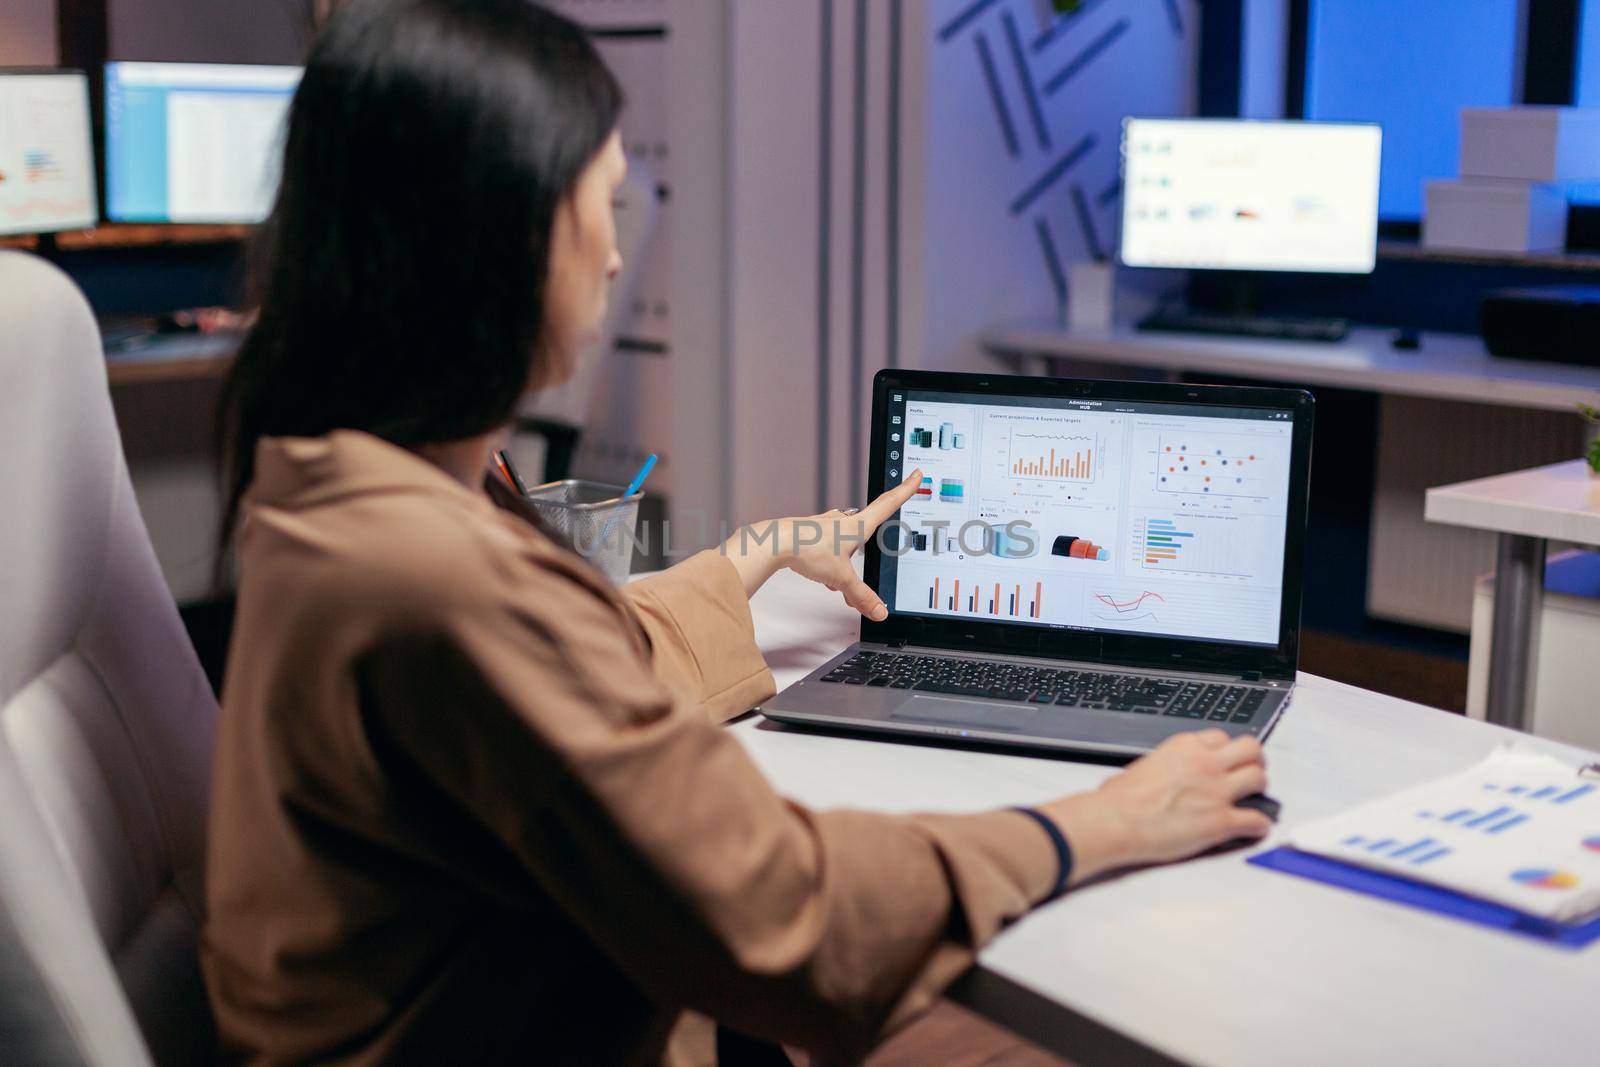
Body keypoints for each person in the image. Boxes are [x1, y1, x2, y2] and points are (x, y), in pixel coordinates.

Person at [201, 2, 1272, 1064]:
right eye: (605, 207)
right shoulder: (425, 575)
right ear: (496, 241)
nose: (618, 261)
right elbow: (781, 912)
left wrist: (750, 554)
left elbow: (574, 664)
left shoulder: (339, 487)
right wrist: (1105, 819)